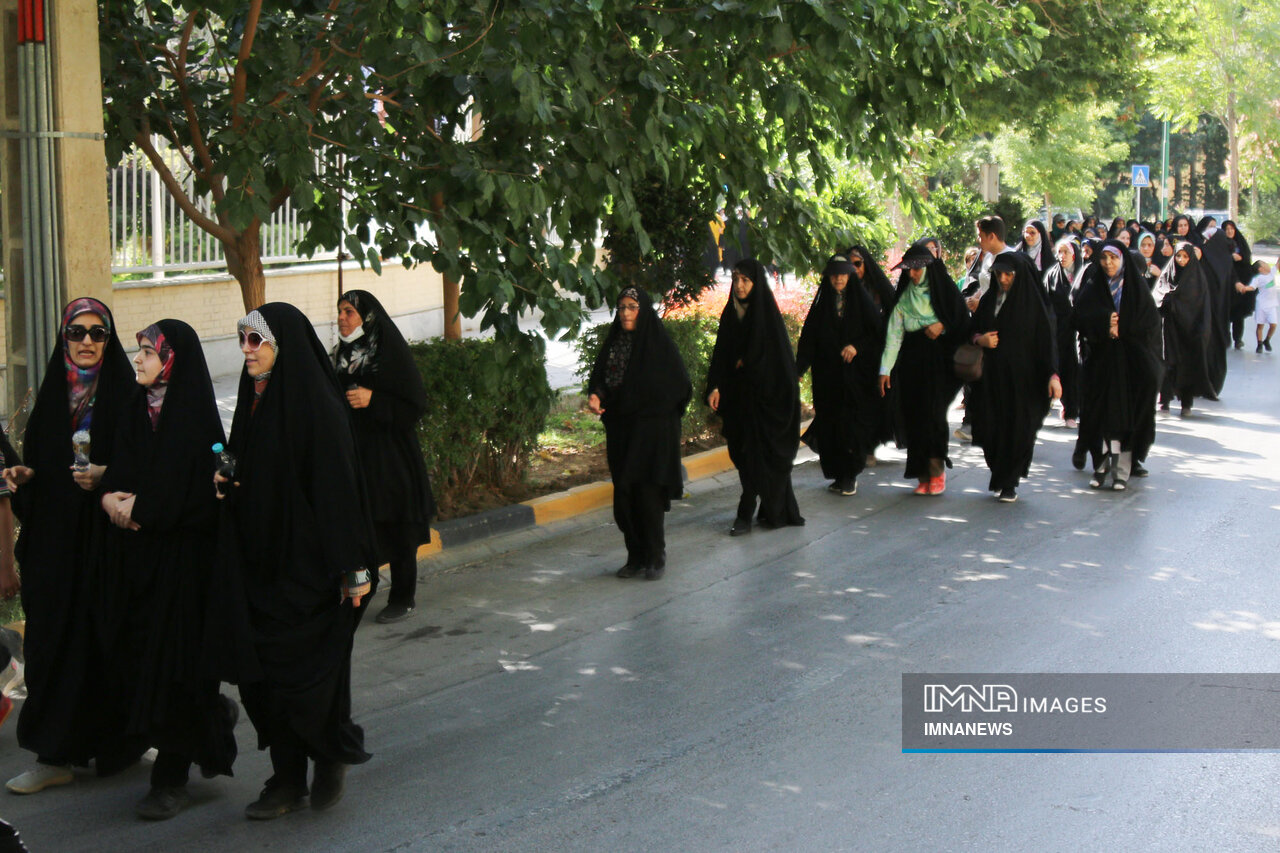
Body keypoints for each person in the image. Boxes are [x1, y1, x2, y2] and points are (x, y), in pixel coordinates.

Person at [211, 303, 376, 819]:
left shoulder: (316, 408)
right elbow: (244, 465)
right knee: (262, 679)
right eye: (242, 339)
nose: (247, 351)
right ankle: (286, 779)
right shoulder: (255, 400)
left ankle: (329, 756)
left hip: (308, 572)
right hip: (259, 566)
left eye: (256, 341)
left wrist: (353, 567)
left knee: (309, 678)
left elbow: (339, 494)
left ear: (283, 345)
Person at [99, 320, 238, 820]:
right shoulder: (139, 408)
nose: (138, 359)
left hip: (185, 570)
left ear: (172, 359)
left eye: (147, 352)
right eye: (138, 351)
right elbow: (123, 467)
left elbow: (198, 496)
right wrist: (112, 496)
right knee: (144, 661)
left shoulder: (194, 417)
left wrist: (143, 506)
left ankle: (170, 778)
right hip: (142, 565)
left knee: (178, 669)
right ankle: (214, 721)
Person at [3, 298, 140, 794]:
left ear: (110, 339)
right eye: (76, 333)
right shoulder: (51, 399)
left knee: (113, 641)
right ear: (63, 340)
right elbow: (44, 464)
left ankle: (123, 740)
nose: (86, 342)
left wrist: (110, 476)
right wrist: (28, 475)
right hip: (58, 553)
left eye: (97, 333)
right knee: (55, 643)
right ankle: (54, 754)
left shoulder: (126, 395)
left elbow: (147, 464)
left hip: (109, 551)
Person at [333, 291, 436, 624]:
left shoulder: (388, 351)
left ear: (368, 317)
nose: (342, 318)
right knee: (361, 529)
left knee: (397, 528)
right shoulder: (339, 355)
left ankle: (403, 596)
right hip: (355, 455)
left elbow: (414, 403)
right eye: (340, 312)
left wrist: (373, 399)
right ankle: (361, 594)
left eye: (349, 312)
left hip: (391, 457)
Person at [587, 287, 691, 579]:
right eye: (621, 307)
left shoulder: (658, 345)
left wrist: (654, 410)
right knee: (624, 495)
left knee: (648, 495)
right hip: (622, 430)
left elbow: (680, 387)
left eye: (632, 307)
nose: (626, 313)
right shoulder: (615, 343)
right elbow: (602, 380)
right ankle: (635, 556)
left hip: (652, 434)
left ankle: (655, 556)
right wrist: (596, 396)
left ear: (643, 310)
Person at [705, 259, 804, 535]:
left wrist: (747, 364)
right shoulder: (731, 314)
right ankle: (772, 509)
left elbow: (778, 363)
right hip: (740, 401)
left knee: (755, 457)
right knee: (742, 453)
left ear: (756, 283)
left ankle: (744, 513)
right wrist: (715, 386)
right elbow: (721, 354)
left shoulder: (766, 315)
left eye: (745, 280)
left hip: (766, 403)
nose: (738, 285)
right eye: (735, 279)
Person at [878, 242, 970, 495]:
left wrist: (942, 325)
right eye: (910, 270)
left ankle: (936, 472)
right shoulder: (905, 297)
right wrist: (885, 370)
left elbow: (961, 322)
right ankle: (921, 474)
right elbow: (894, 336)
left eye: (918, 270)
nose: (913, 274)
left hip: (940, 363)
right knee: (915, 417)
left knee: (933, 416)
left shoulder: (944, 292)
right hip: (911, 363)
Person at [968, 254, 1061, 502]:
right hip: (991, 380)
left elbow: (1046, 343)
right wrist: (981, 340)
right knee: (990, 427)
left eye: (1009, 274)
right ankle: (1000, 472)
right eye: (1000, 274)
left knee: (1018, 429)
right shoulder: (989, 300)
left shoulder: (1033, 305)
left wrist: (1053, 375)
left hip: (1024, 383)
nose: (1004, 279)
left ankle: (1009, 481)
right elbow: (971, 330)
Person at [1072, 242, 1162, 490]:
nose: (1108, 263)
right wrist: (1104, 323)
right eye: (1104, 258)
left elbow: (1149, 324)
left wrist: (1121, 328)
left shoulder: (1137, 289)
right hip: (1100, 363)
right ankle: (1099, 466)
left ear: (1123, 260)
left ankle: (1122, 470)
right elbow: (1079, 316)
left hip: (1130, 364)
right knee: (1099, 415)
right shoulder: (1094, 287)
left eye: (1113, 258)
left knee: (1125, 416)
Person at [796, 254, 884, 496]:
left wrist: (857, 346)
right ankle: (837, 473)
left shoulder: (861, 302)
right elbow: (809, 341)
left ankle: (850, 475)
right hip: (827, 378)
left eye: (843, 274)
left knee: (851, 427)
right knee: (830, 425)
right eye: (834, 275)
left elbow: (876, 333)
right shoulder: (822, 305)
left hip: (855, 378)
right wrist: (797, 371)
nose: (838, 279)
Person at [1152, 244, 1217, 417]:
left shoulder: (1197, 278)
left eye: (1185, 257)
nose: (1181, 260)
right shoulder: (1168, 274)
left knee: (1188, 364)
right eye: (1178, 256)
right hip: (1169, 328)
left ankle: (1186, 404)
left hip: (1190, 330)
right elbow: (1157, 295)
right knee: (1166, 364)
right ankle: (1164, 401)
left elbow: (1201, 305)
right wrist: (1167, 299)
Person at [1044, 238, 1083, 428]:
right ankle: (1066, 407)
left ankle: (1073, 411)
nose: (1062, 256)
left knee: (1076, 369)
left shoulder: (1083, 274)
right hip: (1058, 329)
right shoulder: (1052, 275)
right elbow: (1046, 302)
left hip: (1079, 329)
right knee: (1062, 367)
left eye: (1066, 252)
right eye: (1059, 252)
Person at [1222, 221, 1254, 349]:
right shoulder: (1221, 243)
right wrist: (1229, 257)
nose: (1229, 231)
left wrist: (1241, 258)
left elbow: (1247, 259)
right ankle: (1226, 337)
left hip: (1241, 283)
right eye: (1227, 229)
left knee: (1239, 314)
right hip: (1226, 285)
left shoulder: (1240, 243)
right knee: (1225, 312)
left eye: (1232, 229)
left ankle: (1238, 339)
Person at [1252, 260, 1276, 352]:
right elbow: (1252, 286)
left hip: (1271, 305)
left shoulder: (1271, 273)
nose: (1267, 264)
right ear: (1261, 269)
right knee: (1260, 325)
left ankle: (1267, 340)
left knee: (1273, 324)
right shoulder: (1259, 278)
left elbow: (1277, 263)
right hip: (1262, 304)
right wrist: (1245, 288)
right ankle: (1259, 344)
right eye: (1265, 264)